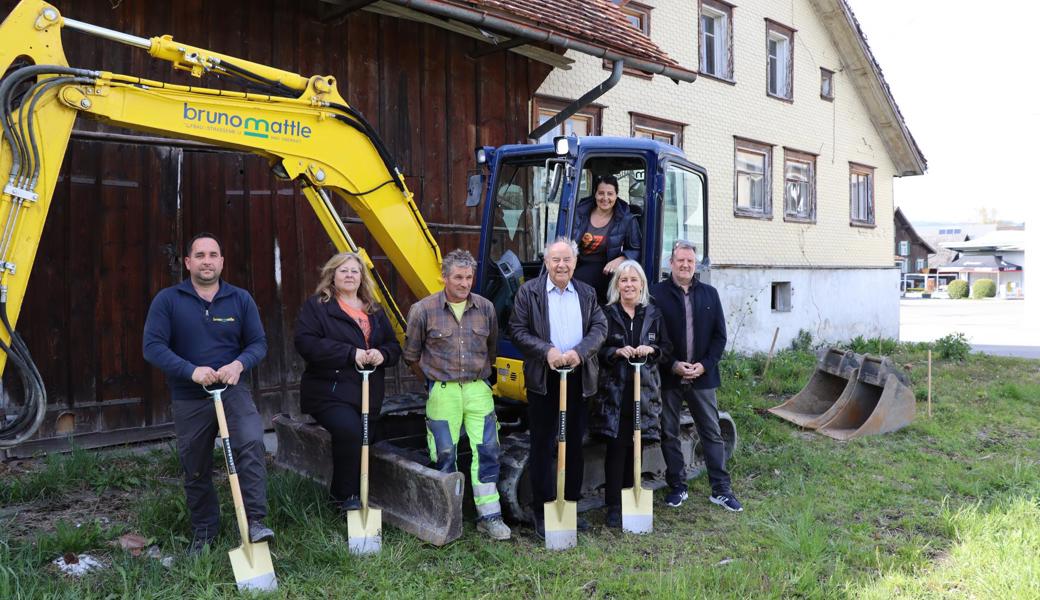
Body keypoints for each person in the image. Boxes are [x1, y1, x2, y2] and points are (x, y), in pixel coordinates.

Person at [143, 232, 272, 555]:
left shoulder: (240, 299)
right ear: (188, 263)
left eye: (213, 255)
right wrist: (192, 371)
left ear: (222, 261)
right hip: (190, 395)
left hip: (230, 390)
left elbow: (258, 343)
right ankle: (204, 530)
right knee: (194, 463)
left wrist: (239, 364)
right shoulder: (168, 300)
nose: (207, 261)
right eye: (199, 255)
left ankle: (255, 522)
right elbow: (153, 347)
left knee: (251, 441)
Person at [403, 249, 511, 541]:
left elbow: (491, 350)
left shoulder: (486, 308)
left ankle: (490, 517)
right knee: (444, 454)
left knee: (487, 451)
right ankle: (446, 518)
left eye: (469, 277)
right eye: (458, 277)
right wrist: (432, 381)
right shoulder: (423, 310)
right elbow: (411, 355)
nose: (465, 283)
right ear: (444, 277)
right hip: (443, 391)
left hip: (478, 390)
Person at [509, 237, 607, 538]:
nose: (561, 265)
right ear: (546, 262)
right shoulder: (530, 292)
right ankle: (542, 511)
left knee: (574, 444)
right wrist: (547, 351)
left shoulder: (587, 293)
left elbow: (600, 328)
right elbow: (517, 329)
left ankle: (570, 506)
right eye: (555, 260)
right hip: (544, 377)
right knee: (542, 445)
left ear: (575, 263)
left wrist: (580, 353)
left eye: (567, 260)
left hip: (578, 377)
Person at [294, 251, 401, 514]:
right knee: (349, 431)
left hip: (366, 392)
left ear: (362, 276)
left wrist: (381, 354)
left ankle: (351, 496)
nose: (350, 275)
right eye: (344, 270)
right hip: (329, 390)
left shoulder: (374, 309)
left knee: (364, 437)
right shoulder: (318, 307)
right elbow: (306, 344)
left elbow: (393, 347)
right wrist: (349, 353)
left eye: (355, 271)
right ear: (332, 274)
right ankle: (346, 499)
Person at [650, 241, 742, 512]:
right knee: (669, 432)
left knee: (711, 432)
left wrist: (704, 365)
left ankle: (721, 490)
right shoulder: (656, 295)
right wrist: (673, 364)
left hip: (703, 376)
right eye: (680, 260)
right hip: (670, 375)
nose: (685, 265)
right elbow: (654, 337)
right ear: (671, 262)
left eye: (690, 261)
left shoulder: (710, 295)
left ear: (695, 264)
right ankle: (677, 487)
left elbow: (719, 337)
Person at [591, 260, 670, 528]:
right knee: (616, 448)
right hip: (615, 393)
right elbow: (596, 350)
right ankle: (613, 505)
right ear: (617, 285)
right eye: (623, 280)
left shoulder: (653, 314)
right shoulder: (606, 314)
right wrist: (615, 353)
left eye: (634, 280)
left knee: (635, 446)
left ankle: (630, 498)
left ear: (642, 285)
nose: (629, 285)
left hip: (644, 393)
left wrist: (653, 351)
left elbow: (666, 349)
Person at [572, 175, 642, 304]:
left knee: (581, 283)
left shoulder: (627, 219)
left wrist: (621, 259)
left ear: (616, 195)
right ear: (595, 194)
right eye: (601, 193)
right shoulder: (579, 214)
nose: (605, 198)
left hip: (606, 269)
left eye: (610, 194)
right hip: (577, 264)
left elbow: (636, 249)